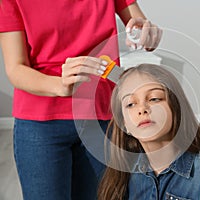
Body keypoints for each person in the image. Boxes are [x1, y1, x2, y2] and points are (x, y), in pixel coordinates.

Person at [0, 0, 161, 199]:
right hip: (40, 125)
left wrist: (147, 33)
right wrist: (59, 85)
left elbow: (139, 25)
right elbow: (16, 68)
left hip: (101, 119)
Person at [98, 64, 200, 200]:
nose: (142, 109)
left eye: (154, 98)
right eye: (130, 104)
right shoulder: (121, 175)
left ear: (175, 107)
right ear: (125, 124)